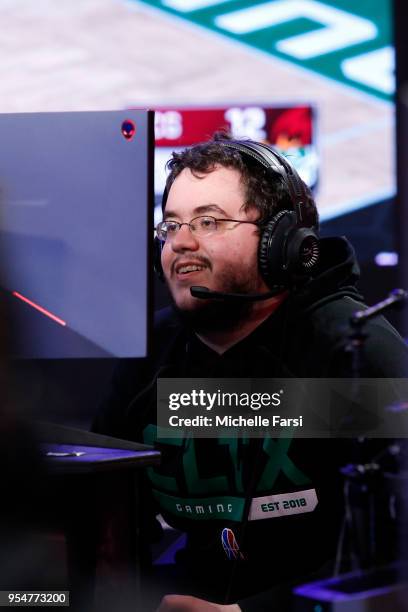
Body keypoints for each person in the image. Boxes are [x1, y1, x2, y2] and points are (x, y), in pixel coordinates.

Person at [93, 133, 408, 611]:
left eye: (209, 221)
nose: (181, 242)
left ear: (283, 243)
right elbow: (101, 515)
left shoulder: (354, 352)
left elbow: (394, 559)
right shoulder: (151, 357)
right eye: (171, 224)